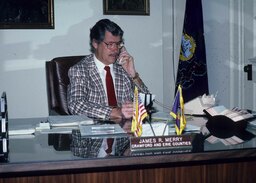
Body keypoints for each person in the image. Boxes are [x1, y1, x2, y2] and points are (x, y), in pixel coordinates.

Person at [67, 19, 149, 120]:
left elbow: (147, 101)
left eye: (118, 44)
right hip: (96, 130)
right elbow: (76, 105)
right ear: (95, 43)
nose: (115, 49)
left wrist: (133, 74)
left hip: (127, 128)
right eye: (110, 44)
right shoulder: (80, 70)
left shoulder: (122, 67)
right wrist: (114, 112)